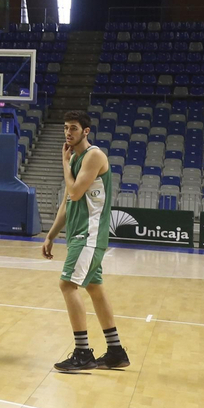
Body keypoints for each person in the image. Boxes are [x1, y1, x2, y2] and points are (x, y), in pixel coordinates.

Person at [42, 111, 129, 371]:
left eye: (73, 128)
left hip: (89, 235)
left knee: (67, 285)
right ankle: (115, 351)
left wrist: (64, 164)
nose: (68, 133)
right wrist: (51, 235)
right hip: (79, 235)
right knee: (95, 289)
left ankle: (83, 353)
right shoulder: (77, 159)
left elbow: (76, 192)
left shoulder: (93, 156)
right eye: (66, 128)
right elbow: (67, 203)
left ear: (86, 131)